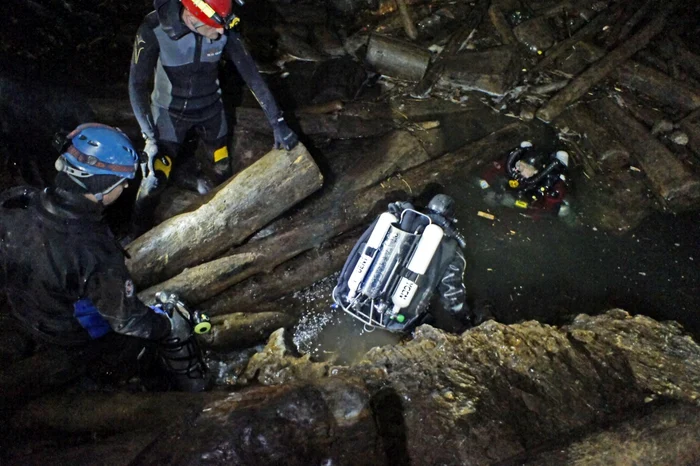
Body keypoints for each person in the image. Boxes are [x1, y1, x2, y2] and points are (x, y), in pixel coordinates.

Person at [0, 123, 208, 392]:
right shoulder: (94, 251)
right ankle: (173, 389)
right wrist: (166, 326)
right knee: (173, 330)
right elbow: (128, 320)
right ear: (102, 187)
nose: (123, 189)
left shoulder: (16, 201)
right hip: (71, 336)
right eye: (121, 183)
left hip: (23, 310)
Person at [129, 0, 299, 236]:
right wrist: (149, 138)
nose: (221, 33)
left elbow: (252, 75)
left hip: (211, 110)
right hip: (169, 115)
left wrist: (277, 122)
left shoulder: (223, 26)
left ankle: (223, 226)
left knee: (222, 167)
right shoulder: (154, 27)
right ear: (192, 17)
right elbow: (136, 85)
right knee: (154, 181)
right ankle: (137, 234)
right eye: (215, 26)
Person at [333, 194, 489, 334]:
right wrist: (466, 317)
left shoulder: (399, 218)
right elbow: (451, 295)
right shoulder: (450, 249)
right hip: (393, 319)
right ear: (451, 218)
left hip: (350, 294)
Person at [479, 141, 571, 218]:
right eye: (520, 164)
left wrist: (515, 204)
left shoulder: (553, 188)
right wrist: (486, 190)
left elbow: (545, 212)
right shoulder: (512, 167)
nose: (519, 169)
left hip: (523, 212)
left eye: (526, 167)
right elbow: (486, 174)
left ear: (536, 172)